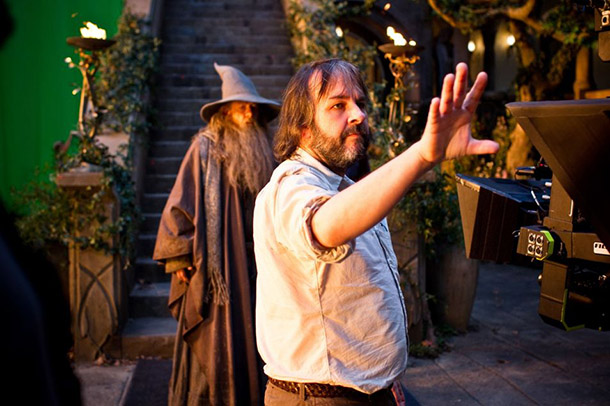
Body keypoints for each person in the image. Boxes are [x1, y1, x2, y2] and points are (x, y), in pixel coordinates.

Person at [253, 58, 499, 405]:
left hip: (370, 390)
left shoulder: (343, 186)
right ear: (303, 128)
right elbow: (322, 226)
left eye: (360, 103)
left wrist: (384, 378)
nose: (358, 115)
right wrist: (421, 156)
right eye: (338, 105)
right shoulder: (290, 187)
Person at [153, 63, 279, 406]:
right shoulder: (204, 149)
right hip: (218, 265)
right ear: (225, 112)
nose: (249, 113)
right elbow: (180, 204)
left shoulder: (265, 149)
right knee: (216, 337)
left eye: (253, 107)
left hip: (258, 264)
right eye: (242, 107)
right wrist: (179, 256)